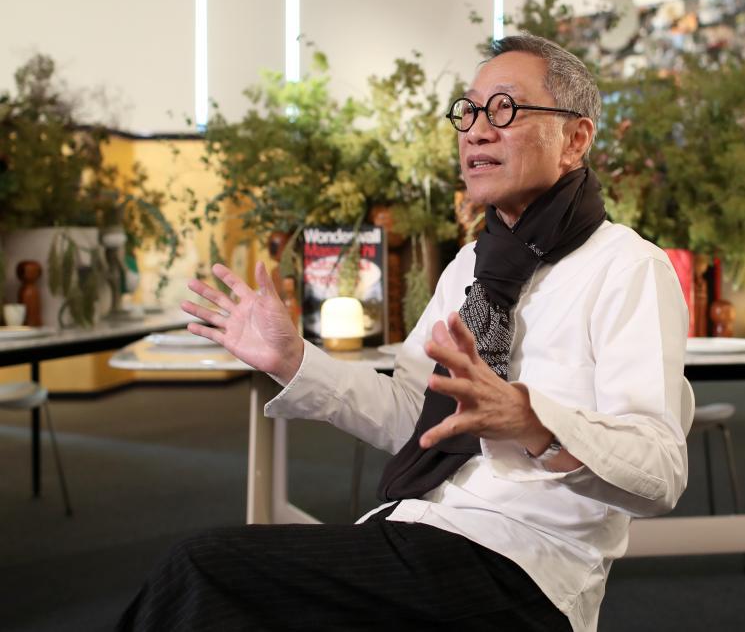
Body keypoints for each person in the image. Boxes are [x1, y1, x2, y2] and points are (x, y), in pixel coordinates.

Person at [118, 33, 693, 632]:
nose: (476, 131)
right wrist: (292, 359)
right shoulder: (471, 266)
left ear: (575, 139)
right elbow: (415, 419)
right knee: (212, 587)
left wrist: (532, 422)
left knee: (204, 572)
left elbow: (659, 472)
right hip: (419, 525)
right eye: (468, 111)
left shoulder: (628, 268)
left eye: (504, 109)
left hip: (527, 563)